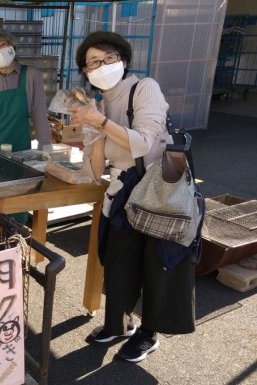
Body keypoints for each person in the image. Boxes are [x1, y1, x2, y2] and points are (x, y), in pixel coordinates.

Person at [68, 31, 195, 363]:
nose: (102, 65)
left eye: (109, 58)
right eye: (93, 62)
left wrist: (100, 121)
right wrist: (92, 128)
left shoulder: (144, 88)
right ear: (85, 71)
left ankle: (148, 333)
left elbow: (144, 143)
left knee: (156, 264)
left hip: (157, 191)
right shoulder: (93, 104)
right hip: (122, 192)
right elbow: (95, 170)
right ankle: (118, 322)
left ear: (123, 60)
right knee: (118, 262)